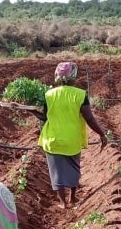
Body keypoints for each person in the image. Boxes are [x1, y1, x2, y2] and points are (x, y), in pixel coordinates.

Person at [32, 62, 108, 209]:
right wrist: (101, 134)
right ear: (73, 77)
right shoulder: (80, 95)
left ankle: (62, 202)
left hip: (52, 139)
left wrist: (31, 111)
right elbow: (90, 119)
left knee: (57, 172)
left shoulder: (49, 94)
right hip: (72, 139)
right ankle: (73, 198)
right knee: (73, 168)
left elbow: (45, 117)